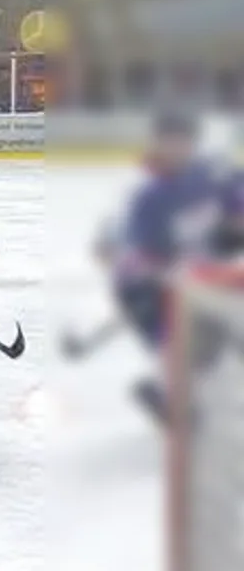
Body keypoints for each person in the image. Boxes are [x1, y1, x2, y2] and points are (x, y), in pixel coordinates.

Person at [99, 109, 243, 421]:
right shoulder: (149, 197)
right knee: (182, 339)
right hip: (148, 288)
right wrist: (164, 271)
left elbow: (236, 213)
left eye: (183, 141)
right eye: (170, 142)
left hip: (202, 278)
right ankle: (170, 390)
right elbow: (137, 255)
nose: (177, 148)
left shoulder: (214, 177)